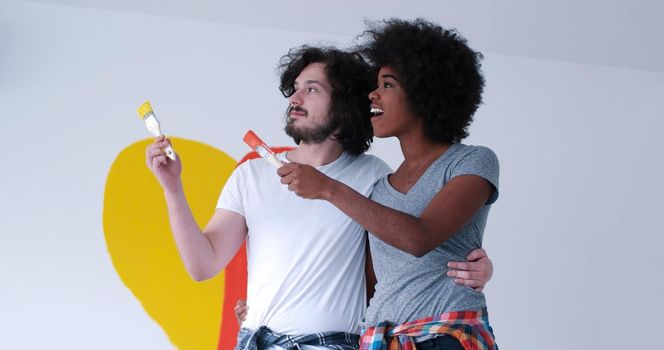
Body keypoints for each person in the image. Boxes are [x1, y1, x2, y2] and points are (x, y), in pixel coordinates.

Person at [147, 45, 492, 350]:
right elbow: (202, 265)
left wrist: (477, 265)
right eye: (295, 89)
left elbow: (410, 242)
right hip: (254, 340)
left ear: (343, 106)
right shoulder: (250, 176)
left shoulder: (374, 177)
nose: (295, 99)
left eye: (311, 89)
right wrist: (172, 188)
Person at [279, 19, 499, 349]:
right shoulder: (379, 189)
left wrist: (328, 188)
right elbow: (368, 286)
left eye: (388, 84)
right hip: (381, 340)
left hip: (446, 335)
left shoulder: (471, 161)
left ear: (425, 95)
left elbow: (420, 237)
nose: (373, 93)